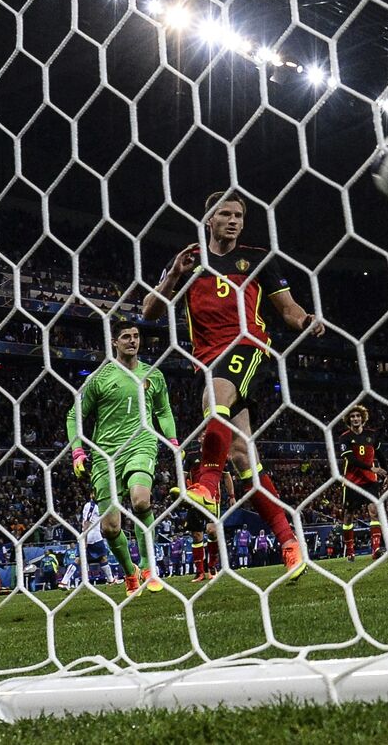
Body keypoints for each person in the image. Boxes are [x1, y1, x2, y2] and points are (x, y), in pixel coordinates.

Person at [142, 191, 319, 578]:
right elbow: (149, 311)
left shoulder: (257, 260)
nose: (234, 220)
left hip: (248, 346)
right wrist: (173, 274)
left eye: (239, 214)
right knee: (242, 456)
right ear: (209, 220)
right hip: (206, 359)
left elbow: (288, 310)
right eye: (225, 214)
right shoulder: (189, 263)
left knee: (215, 399)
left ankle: (205, 486)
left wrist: (307, 321)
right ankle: (290, 544)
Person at [66, 320, 178, 594]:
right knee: (110, 527)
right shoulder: (99, 378)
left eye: (136, 336)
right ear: (114, 342)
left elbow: (163, 411)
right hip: (106, 454)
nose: (132, 341)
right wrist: (78, 451)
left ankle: (149, 566)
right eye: (126, 337)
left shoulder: (154, 375)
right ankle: (130, 572)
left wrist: (173, 440)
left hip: (142, 442)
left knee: (141, 500)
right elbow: (74, 416)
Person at [337, 405, 388, 562]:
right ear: (349, 420)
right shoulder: (344, 437)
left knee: (374, 511)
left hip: (370, 481)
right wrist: (372, 467)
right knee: (348, 516)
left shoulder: (372, 435)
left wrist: (386, 472)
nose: (355, 419)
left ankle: (376, 549)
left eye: (358, 416)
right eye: (352, 416)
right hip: (352, 481)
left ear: (362, 418)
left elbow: (380, 454)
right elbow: (351, 460)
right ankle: (350, 551)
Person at [78, 494, 116, 586]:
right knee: (102, 557)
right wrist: (85, 539)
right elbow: (86, 522)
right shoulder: (91, 506)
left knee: (80, 559)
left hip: (90, 536)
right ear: (91, 495)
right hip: (93, 537)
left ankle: (65, 581)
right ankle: (110, 579)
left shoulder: (94, 506)